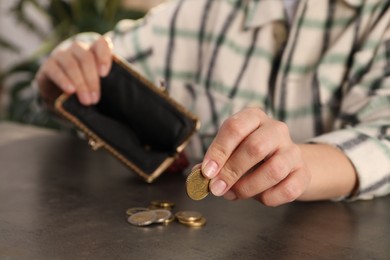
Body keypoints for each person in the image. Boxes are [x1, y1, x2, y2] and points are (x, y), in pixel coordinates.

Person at [36, 0, 390, 206]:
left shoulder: (379, 18)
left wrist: (302, 165)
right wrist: (65, 71)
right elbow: (106, 56)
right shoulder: (203, 8)